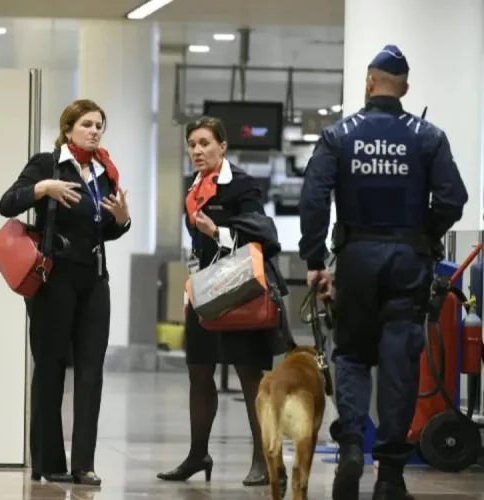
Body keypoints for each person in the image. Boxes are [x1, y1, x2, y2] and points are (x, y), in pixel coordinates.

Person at [298, 45, 468, 500]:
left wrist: (315, 261)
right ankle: (390, 474)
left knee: (352, 354)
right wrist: (425, 236)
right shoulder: (427, 135)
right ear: (405, 88)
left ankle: (353, 442)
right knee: (399, 361)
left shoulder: (339, 135)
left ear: (370, 83)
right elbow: (453, 199)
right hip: (408, 261)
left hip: (355, 258)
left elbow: (313, 200)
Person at [0, 99, 131, 486]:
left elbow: (101, 225)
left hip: (93, 280)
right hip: (53, 280)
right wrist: (43, 188)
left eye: (99, 125)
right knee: (51, 369)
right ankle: (48, 460)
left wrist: (121, 221)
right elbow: (6, 203)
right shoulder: (47, 163)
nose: (94, 131)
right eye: (87, 124)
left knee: (91, 372)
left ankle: (84, 464)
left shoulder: (104, 171)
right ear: (68, 127)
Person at [157, 116, 292, 487]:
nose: (197, 151)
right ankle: (197, 454)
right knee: (199, 372)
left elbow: (264, 236)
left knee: (250, 377)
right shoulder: (195, 188)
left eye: (205, 143)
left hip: (241, 294)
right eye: (192, 145)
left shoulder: (242, 185)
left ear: (223, 147)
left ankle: (264, 460)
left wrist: (217, 231)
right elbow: (198, 248)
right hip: (206, 293)